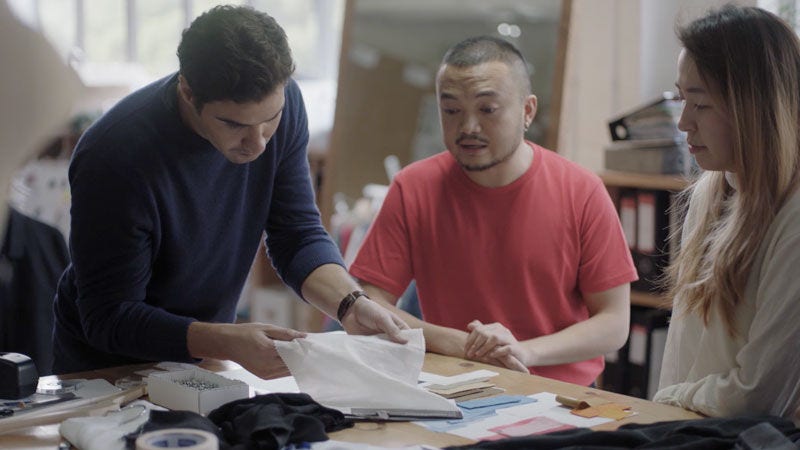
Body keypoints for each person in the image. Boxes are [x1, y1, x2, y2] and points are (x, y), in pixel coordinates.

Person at [51, 5, 408, 377]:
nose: (257, 145)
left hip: (204, 354)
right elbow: (110, 317)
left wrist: (350, 304)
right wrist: (225, 341)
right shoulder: (115, 156)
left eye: (270, 120)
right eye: (234, 124)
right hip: (105, 368)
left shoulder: (287, 105)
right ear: (188, 92)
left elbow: (297, 235)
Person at [349, 36, 637, 386]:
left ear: (527, 111)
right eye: (451, 110)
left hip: (562, 396)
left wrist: (524, 352)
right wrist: (456, 343)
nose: (468, 127)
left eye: (487, 109)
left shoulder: (582, 191)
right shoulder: (414, 188)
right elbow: (370, 304)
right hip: (454, 385)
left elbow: (613, 323)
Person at [654, 5, 800, 423]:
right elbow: (683, 351)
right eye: (682, 99)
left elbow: (757, 397)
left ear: (753, 107)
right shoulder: (711, 191)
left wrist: (668, 400)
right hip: (689, 430)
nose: (683, 123)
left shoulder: (793, 218)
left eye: (699, 105)